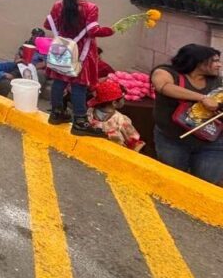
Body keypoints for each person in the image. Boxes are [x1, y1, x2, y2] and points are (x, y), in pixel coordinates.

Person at [44, 0, 114, 137]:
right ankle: (80, 122)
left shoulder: (58, 5)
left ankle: (56, 113)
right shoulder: (90, 8)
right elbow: (92, 31)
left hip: (62, 52)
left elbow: (47, 24)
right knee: (79, 87)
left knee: (59, 82)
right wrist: (111, 30)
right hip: (81, 54)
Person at [150, 44, 222, 184]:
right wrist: (202, 98)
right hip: (172, 140)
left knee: (204, 186)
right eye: (215, 61)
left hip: (212, 143)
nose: (219, 65)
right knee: (172, 182)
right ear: (199, 61)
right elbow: (163, 87)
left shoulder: (218, 81)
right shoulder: (166, 72)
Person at [86, 79, 145, 151]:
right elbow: (134, 143)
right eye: (122, 98)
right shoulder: (121, 120)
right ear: (114, 103)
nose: (124, 100)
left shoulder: (88, 114)